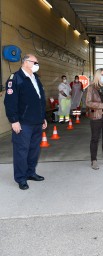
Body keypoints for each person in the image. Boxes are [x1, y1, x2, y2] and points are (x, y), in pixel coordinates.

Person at [4, 54, 47, 190]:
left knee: (34, 150)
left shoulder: (36, 78)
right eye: (35, 62)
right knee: (21, 151)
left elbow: (40, 100)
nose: (37, 65)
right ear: (25, 62)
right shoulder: (16, 78)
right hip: (23, 122)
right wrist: (14, 120)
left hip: (36, 121)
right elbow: (10, 102)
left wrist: (43, 118)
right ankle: (21, 178)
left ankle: (30, 173)